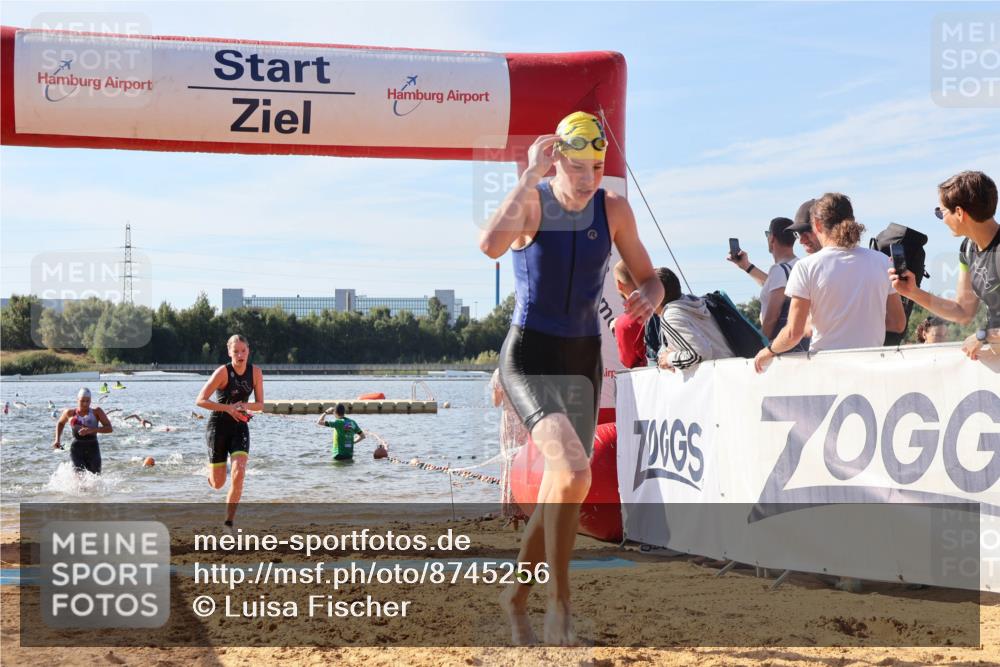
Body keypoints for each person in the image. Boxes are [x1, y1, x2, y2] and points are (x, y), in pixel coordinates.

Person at [479, 110, 662, 645]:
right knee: (573, 472)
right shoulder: (533, 201)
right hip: (531, 355)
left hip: (583, 358)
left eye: (597, 167)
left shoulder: (615, 209)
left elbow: (650, 279)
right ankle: (558, 607)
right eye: (578, 166)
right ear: (555, 157)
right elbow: (490, 245)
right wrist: (525, 177)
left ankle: (515, 597)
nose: (587, 178)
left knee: (568, 481)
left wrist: (648, 299)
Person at [755, 193, 906, 372]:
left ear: (817, 225)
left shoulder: (806, 267)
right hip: (871, 367)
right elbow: (898, 323)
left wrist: (768, 350)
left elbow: (793, 333)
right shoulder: (882, 261)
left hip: (826, 369)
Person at [891, 170, 1000, 360]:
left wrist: (984, 335)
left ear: (959, 212)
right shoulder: (968, 249)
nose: (941, 220)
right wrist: (912, 292)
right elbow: (963, 312)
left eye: (940, 212)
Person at [195, 334, 264, 531]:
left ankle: (228, 522)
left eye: (243, 351)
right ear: (229, 352)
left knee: (239, 472)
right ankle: (211, 475)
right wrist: (228, 408)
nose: (240, 355)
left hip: (239, 426)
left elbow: (260, 405)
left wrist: (243, 405)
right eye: (236, 351)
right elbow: (200, 400)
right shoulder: (223, 372)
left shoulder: (256, 373)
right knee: (218, 483)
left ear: (249, 351)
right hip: (218, 426)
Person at [727, 217, 804, 344]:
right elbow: (771, 285)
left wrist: (760, 344)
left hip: (779, 344)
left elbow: (772, 318)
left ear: (772, 238)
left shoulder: (779, 270)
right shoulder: (798, 265)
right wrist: (747, 266)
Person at [656, 267, 735, 371]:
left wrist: (669, 359)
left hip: (717, 379)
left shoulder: (671, 315)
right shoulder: (694, 303)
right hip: (732, 369)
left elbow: (700, 353)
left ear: (657, 295)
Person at [490, 369, 530, 528]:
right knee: (527, 465)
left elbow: (496, 402)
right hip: (527, 420)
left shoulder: (501, 371)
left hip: (510, 424)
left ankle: (512, 513)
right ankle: (528, 509)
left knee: (510, 464)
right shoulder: (528, 369)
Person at [53, 388, 113, 475]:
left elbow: (109, 428)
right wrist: (57, 439)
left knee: (95, 477)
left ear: (90, 401)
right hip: (76, 449)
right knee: (79, 478)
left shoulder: (97, 412)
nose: (85, 404)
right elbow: (60, 423)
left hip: (93, 448)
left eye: (87, 401)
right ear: (77, 400)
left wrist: (92, 430)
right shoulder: (69, 413)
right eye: (82, 401)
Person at [610, 260, 649, 368]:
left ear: (619, 284)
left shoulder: (624, 323)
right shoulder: (665, 303)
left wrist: (617, 329)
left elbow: (628, 362)